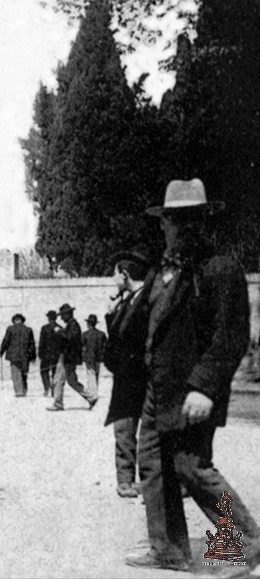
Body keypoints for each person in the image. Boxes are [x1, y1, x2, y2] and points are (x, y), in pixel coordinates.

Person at [125, 179, 259, 572]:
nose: (182, 228)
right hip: (156, 389)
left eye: (192, 220)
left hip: (191, 391)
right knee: (152, 466)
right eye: (174, 220)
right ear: (163, 223)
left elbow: (231, 337)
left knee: (191, 467)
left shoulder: (220, 269)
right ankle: (168, 550)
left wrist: (204, 387)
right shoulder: (159, 272)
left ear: (205, 223)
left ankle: (246, 545)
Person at [103, 250, 150, 499]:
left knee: (147, 435)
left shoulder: (147, 300)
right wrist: (112, 312)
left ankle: (149, 483)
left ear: (125, 274)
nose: (113, 278)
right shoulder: (128, 300)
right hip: (126, 379)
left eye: (115, 274)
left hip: (140, 378)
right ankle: (125, 481)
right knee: (123, 430)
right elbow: (119, 337)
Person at [46, 303, 98, 411]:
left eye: (63, 315)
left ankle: (58, 404)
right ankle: (91, 397)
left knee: (58, 380)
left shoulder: (73, 325)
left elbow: (69, 338)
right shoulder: (72, 324)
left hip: (68, 357)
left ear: (68, 314)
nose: (61, 317)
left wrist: (57, 330)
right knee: (72, 381)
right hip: (69, 357)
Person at [0, 313, 36, 397]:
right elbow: (32, 344)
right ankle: (24, 389)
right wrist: (33, 356)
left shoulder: (10, 329)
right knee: (24, 372)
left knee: (15, 373)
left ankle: (19, 391)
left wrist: (1, 351)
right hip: (25, 355)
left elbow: (6, 341)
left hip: (14, 355)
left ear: (14, 321)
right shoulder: (28, 329)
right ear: (22, 320)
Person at [38, 310, 62, 397]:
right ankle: (54, 390)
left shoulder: (44, 328)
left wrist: (40, 353)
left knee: (44, 371)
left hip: (46, 354)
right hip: (56, 354)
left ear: (48, 317)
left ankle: (47, 387)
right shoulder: (60, 327)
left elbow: (41, 342)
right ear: (56, 318)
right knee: (55, 372)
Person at [82, 314, 107, 395]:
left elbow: (81, 345)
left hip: (88, 357)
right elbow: (105, 346)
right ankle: (94, 391)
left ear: (89, 323)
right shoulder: (101, 334)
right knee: (96, 374)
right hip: (98, 358)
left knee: (90, 374)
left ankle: (93, 393)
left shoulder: (85, 334)